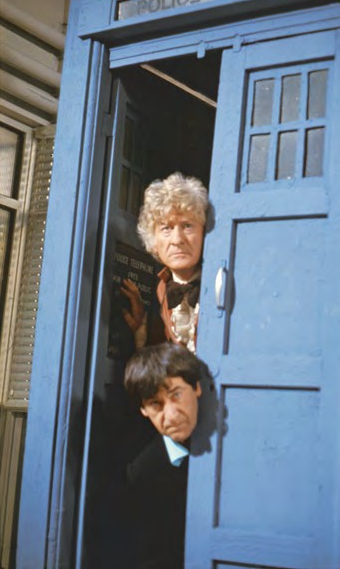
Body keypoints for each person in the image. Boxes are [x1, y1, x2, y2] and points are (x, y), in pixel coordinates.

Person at [124, 342, 204, 569]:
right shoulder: (141, 473)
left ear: (196, 388)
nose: (171, 415)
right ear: (143, 410)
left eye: (176, 395)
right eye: (155, 404)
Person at [121, 172, 209, 352]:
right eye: (167, 228)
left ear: (204, 232)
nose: (177, 239)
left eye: (187, 226)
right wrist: (142, 334)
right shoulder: (161, 289)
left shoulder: (218, 284)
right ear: (153, 240)